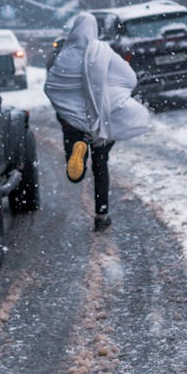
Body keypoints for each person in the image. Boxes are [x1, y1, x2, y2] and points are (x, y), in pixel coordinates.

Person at [44, 12, 150, 232]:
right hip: (101, 122)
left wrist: (69, 108)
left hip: (71, 121)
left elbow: (51, 86)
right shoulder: (102, 52)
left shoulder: (63, 55)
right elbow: (130, 78)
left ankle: (78, 156)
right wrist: (109, 87)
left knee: (74, 162)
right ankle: (101, 215)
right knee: (101, 165)